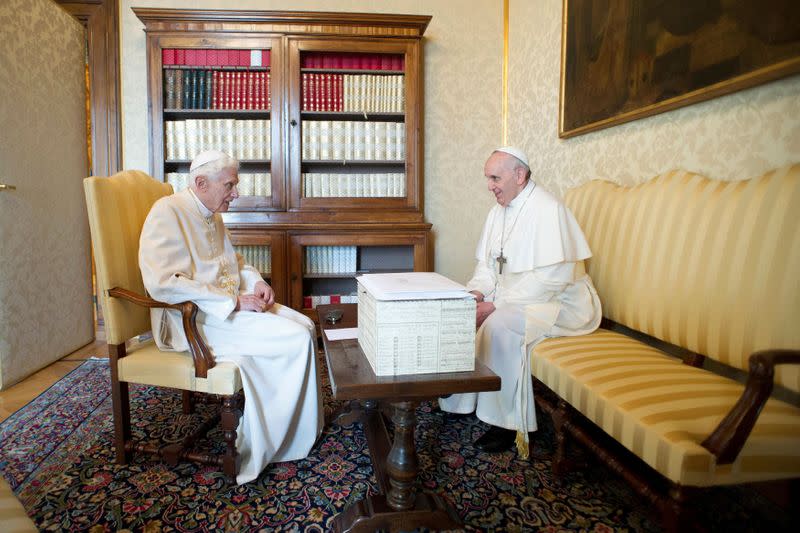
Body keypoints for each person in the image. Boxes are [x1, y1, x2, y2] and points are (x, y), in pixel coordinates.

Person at [138, 150, 323, 484]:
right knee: (294, 338)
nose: (236, 193)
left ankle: (300, 428)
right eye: (230, 185)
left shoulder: (210, 212)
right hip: (190, 321)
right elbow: (162, 284)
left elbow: (233, 262)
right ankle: (276, 443)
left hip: (222, 309)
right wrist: (235, 301)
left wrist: (257, 282)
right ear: (200, 182)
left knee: (306, 326)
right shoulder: (167, 212)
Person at [439, 147, 602, 457]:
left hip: (560, 303)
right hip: (518, 297)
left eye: (494, 177)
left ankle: (504, 423)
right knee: (463, 308)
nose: (489, 186)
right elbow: (488, 268)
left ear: (519, 175)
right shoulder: (497, 212)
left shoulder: (548, 209)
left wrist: (496, 305)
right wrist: (476, 294)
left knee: (499, 324)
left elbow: (551, 280)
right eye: (488, 178)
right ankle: (461, 399)